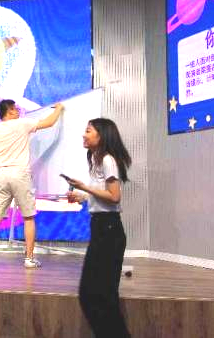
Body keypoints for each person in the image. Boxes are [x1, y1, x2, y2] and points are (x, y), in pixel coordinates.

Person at [66, 118, 132, 338]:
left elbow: (114, 196)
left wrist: (85, 188)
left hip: (109, 230)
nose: (83, 135)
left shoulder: (108, 160)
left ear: (101, 135)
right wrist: (83, 196)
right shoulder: (96, 160)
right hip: (101, 228)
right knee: (93, 295)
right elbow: (103, 195)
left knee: (98, 296)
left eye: (88, 131)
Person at [0, 100, 64, 269]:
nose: (18, 111)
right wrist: (59, 109)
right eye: (16, 109)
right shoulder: (22, 124)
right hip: (20, 174)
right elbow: (49, 122)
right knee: (28, 217)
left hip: (0, 175)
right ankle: (29, 259)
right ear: (10, 111)